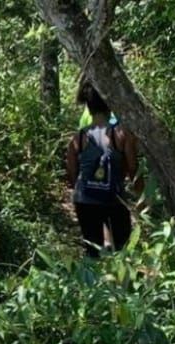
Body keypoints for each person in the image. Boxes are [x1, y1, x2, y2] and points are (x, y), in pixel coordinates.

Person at [66, 82, 140, 258]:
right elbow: (133, 169)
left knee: (93, 251)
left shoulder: (78, 138)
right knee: (122, 250)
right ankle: (122, 284)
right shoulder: (121, 135)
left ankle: (92, 284)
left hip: (85, 201)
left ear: (88, 107)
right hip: (114, 199)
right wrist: (141, 198)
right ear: (110, 104)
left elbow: (72, 174)